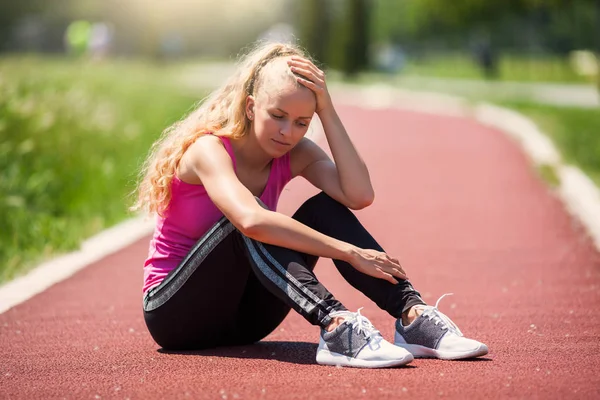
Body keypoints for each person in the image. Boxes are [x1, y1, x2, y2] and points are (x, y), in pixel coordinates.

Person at [132, 41, 488, 368]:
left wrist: (328, 110)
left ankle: (411, 315)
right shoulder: (208, 151)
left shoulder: (295, 154)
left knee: (324, 209)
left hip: (248, 320)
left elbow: (359, 195)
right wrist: (348, 252)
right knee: (247, 219)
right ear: (252, 106)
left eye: (302, 122)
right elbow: (250, 220)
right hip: (175, 314)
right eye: (278, 115)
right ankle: (335, 324)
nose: (287, 132)